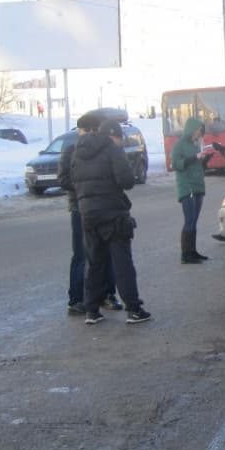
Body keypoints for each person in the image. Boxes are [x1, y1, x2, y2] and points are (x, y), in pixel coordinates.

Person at [68, 116, 151, 324]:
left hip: (88, 214)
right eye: (120, 139)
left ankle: (91, 311)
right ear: (113, 135)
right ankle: (133, 309)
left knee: (95, 263)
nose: (121, 143)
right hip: (113, 214)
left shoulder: (78, 151)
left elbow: (71, 180)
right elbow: (126, 181)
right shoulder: (113, 150)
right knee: (122, 262)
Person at [59, 113, 123, 315]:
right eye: (90, 130)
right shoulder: (71, 151)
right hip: (80, 208)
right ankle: (76, 299)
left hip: (103, 206)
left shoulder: (106, 150)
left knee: (105, 253)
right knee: (81, 255)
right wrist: (87, 191)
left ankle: (106, 294)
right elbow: (64, 180)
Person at [171, 117, 212, 264]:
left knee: (194, 221)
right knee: (189, 221)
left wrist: (205, 160)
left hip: (197, 187)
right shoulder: (179, 145)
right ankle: (185, 254)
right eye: (197, 132)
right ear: (191, 130)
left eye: (200, 133)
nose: (199, 135)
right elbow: (175, 164)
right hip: (187, 187)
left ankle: (192, 252)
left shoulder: (194, 145)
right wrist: (195, 157)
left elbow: (199, 166)